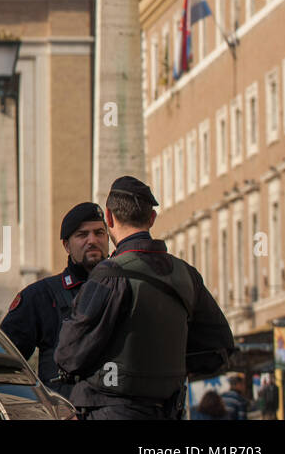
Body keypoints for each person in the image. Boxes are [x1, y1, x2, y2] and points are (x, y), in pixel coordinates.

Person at [55, 175, 235, 420]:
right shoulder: (186, 275)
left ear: (109, 218)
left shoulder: (109, 275)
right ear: (152, 219)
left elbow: (70, 354)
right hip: (168, 410)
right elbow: (219, 348)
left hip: (111, 409)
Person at [0, 201, 108, 399]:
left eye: (99, 233)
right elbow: (4, 363)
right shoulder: (40, 296)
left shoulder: (123, 289)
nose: (92, 240)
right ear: (66, 245)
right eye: (82, 235)